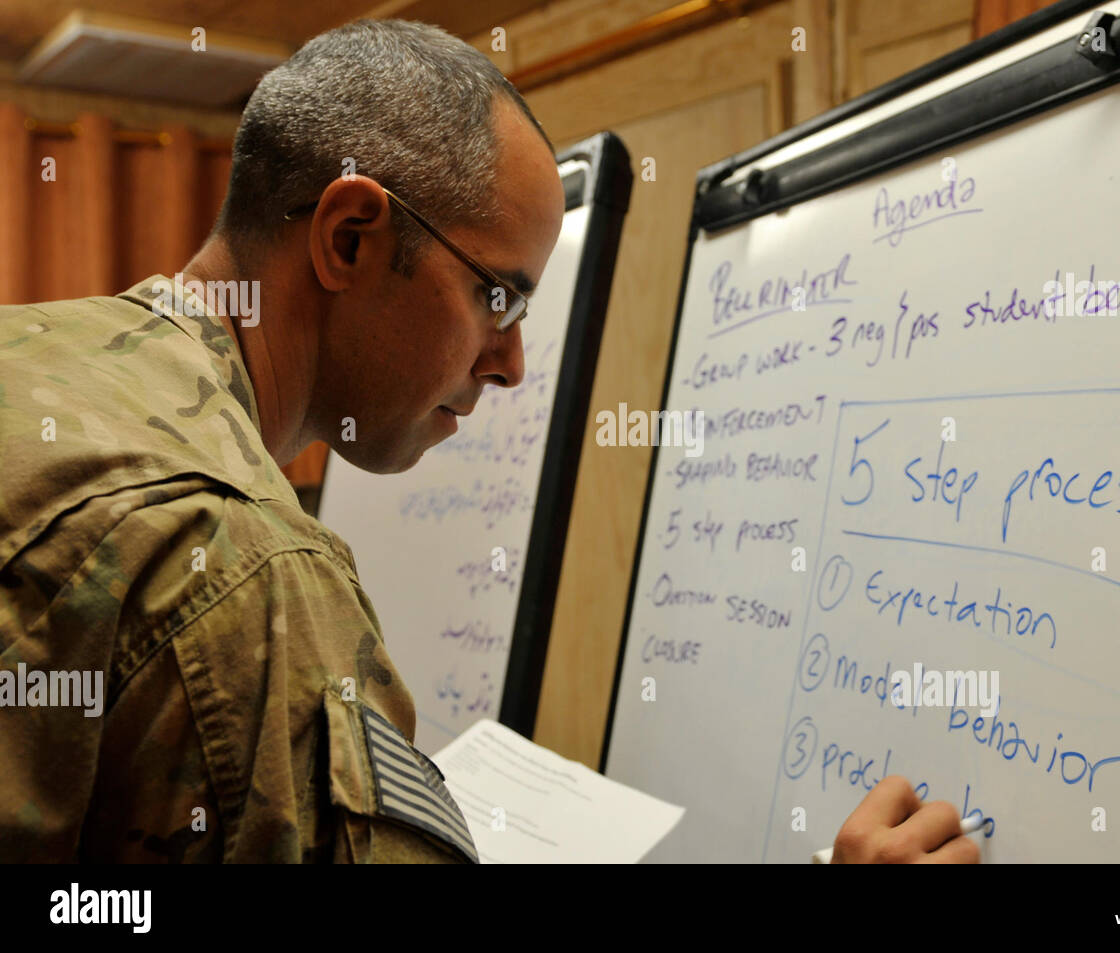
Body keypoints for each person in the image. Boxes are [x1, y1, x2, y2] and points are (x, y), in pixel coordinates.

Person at [0, 18, 977, 865]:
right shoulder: (239, 569)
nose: (509, 363)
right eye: (497, 295)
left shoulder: (31, 350)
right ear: (348, 237)